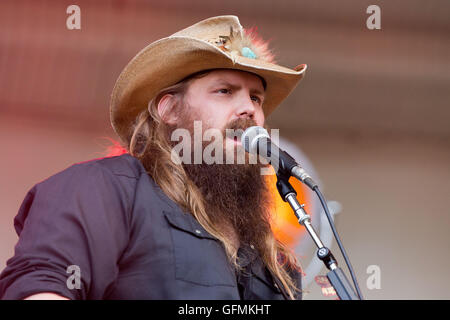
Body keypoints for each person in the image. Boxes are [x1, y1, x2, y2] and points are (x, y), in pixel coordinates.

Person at [0, 15, 307, 300]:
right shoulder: (104, 190)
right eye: (225, 91)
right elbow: (41, 286)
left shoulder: (274, 261)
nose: (249, 109)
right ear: (170, 110)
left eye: (256, 97)